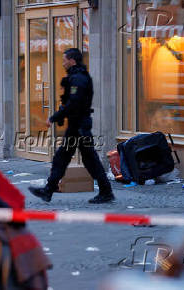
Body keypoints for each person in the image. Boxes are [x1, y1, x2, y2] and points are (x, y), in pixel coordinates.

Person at [28, 48, 115, 204]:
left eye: (64, 60)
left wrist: (55, 117)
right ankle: (49, 190)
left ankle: (106, 191)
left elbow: (73, 103)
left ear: (72, 60)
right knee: (64, 157)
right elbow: (70, 103)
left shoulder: (79, 79)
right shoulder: (76, 77)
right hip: (77, 125)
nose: (63, 62)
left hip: (80, 127)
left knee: (87, 160)